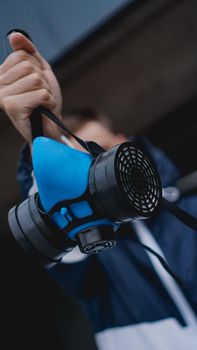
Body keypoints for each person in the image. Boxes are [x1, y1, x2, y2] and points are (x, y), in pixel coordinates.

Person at [0, 32, 197, 350]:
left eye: (102, 154)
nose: (99, 179)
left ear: (125, 143)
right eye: (85, 167)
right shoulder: (94, 261)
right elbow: (60, 234)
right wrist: (44, 139)